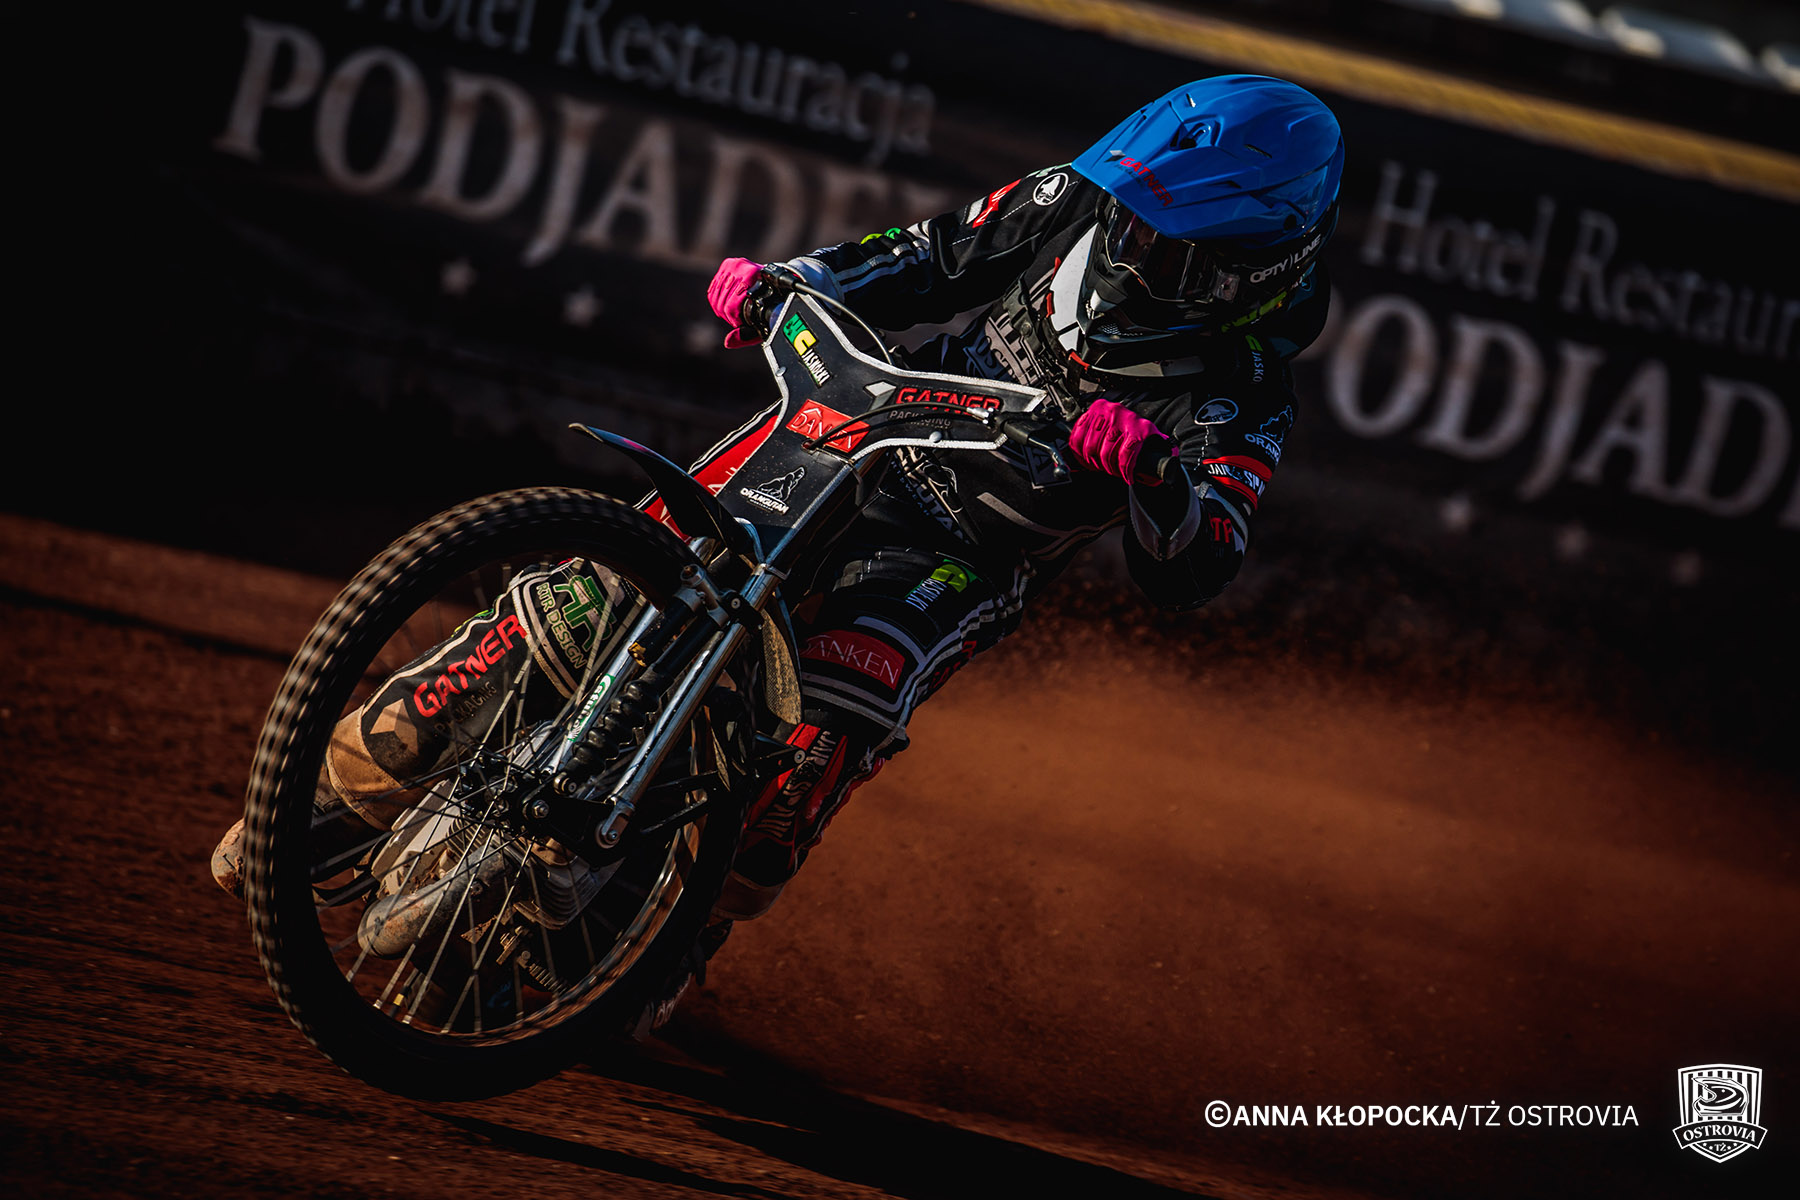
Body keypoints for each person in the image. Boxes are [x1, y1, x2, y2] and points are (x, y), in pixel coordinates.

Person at [215, 73, 1343, 1036]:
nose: (1133, 248)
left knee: (814, 743)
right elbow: (927, 257)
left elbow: (1202, 560)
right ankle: (355, 777)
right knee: (597, 594)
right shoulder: (1073, 199)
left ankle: (673, 931)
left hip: (965, 549)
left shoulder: (1247, 393)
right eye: (1131, 221)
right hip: (853, 431)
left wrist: (1158, 480)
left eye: (1169, 247)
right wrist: (791, 282)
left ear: (1256, 266)